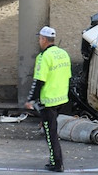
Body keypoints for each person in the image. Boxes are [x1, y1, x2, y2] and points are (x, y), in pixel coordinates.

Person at [24, 26, 72, 173]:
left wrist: (30, 100)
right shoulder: (63, 53)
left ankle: (57, 163)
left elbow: (38, 81)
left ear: (44, 39)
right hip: (61, 98)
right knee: (52, 130)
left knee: (50, 134)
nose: (39, 41)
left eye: (40, 38)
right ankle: (55, 160)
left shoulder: (43, 57)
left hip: (49, 101)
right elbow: (68, 76)